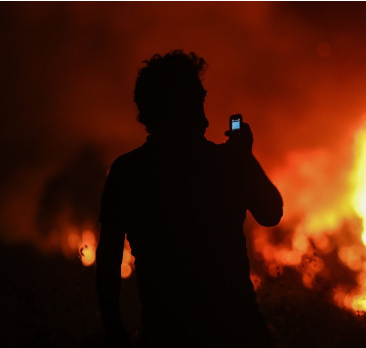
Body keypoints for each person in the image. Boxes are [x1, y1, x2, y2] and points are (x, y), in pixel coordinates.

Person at [96, 50, 283, 348]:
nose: (202, 109)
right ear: (182, 106)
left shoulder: (129, 171)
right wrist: (245, 158)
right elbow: (272, 212)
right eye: (198, 98)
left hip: (167, 334)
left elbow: (107, 261)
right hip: (237, 334)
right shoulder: (224, 163)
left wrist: (114, 327)